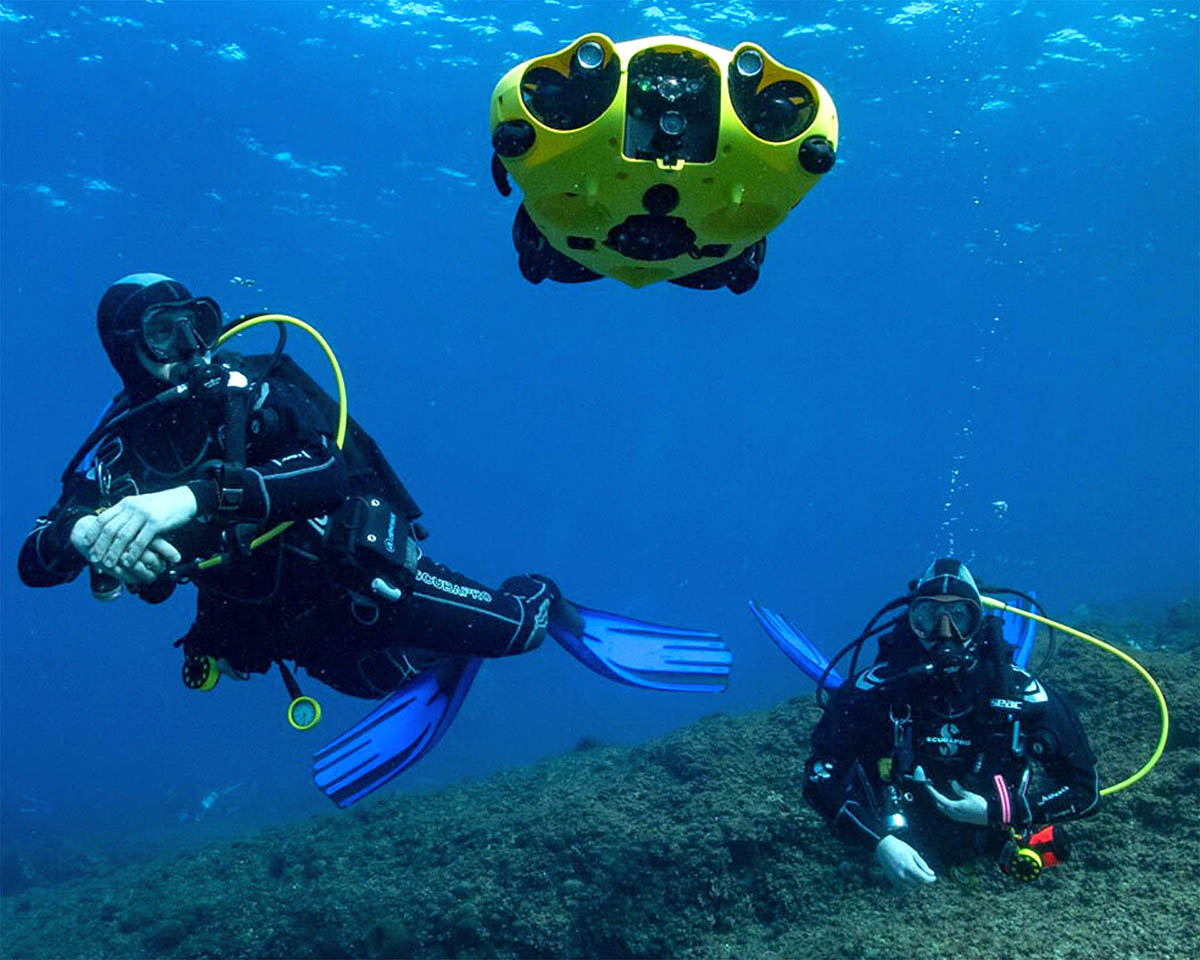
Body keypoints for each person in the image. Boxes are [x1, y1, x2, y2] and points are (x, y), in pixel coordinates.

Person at [19, 273, 731, 806]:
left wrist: (186, 500)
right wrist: (86, 534)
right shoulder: (117, 449)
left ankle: (549, 600)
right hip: (279, 621)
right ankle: (445, 657)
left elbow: (330, 472)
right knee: (380, 683)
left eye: (198, 323)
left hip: (361, 573)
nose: (191, 347)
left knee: (517, 633)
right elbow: (34, 558)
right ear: (125, 349)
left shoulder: (250, 393)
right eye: (163, 333)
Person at [800, 559, 1099, 887]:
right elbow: (819, 778)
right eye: (929, 617)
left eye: (959, 617)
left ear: (978, 621)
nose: (945, 632)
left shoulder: (1019, 692)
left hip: (994, 836)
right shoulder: (872, 692)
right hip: (895, 835)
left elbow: (1085, 790)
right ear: (911, 621)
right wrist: (879, 842)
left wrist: (1002, 810)